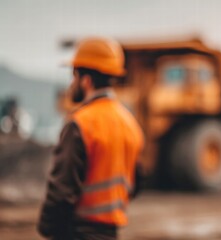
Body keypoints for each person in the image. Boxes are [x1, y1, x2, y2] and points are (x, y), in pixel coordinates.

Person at [37, 37, 144, 240]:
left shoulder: (80, 124)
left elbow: (62, 189)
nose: (72, 83)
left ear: (86, 80)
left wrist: (47, 227)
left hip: (77, 232)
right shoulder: (131, 125)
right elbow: (136, 181)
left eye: (74, 76)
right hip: (110, 233)